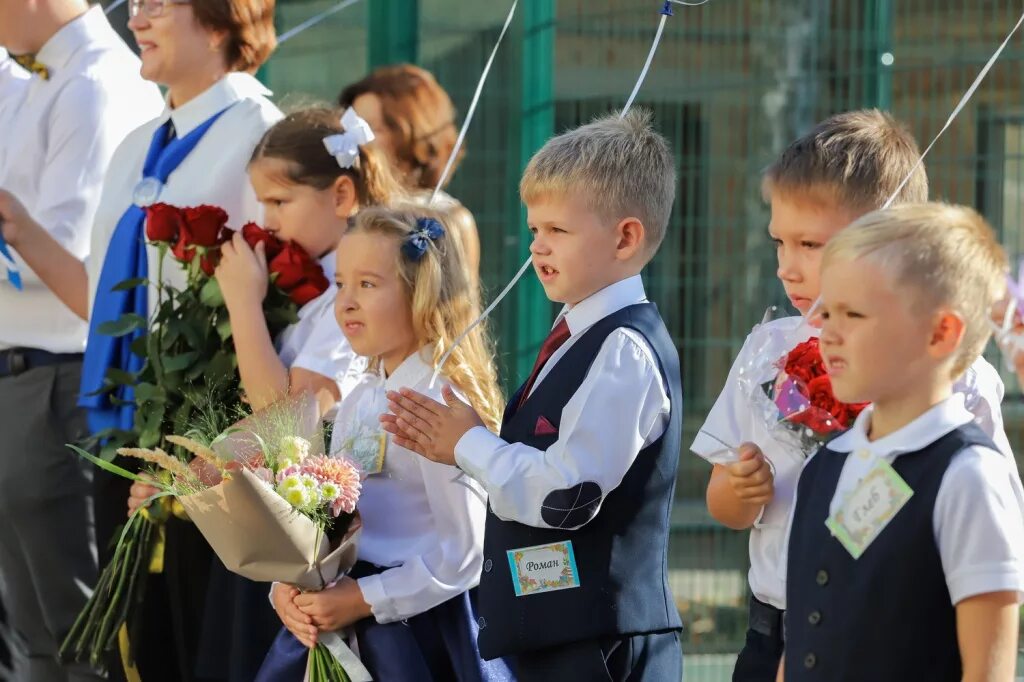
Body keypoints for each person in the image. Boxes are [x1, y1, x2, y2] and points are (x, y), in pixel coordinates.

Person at [0, 0, 279, 678]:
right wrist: (19, 227)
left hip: (208, 444)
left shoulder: (258, 132)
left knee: (180, 641)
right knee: (112, 641)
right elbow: (99, 301)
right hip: (127, 435)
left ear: (219, 20)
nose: (136, 17)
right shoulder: (142, 140)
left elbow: (282, 300)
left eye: (159, 3)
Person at [689, 109, 1013, 682]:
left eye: (812, 244)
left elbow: (986, 598)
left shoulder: (964, 437)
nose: (789, 269)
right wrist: (741, 489)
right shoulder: (777, 366)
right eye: (778, 244)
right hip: (781, 630)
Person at [382, 110, 684, 681]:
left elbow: (568, 494)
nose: (537, 249)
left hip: (601, 649)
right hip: (553, 639)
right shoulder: (577, 335)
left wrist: (469, 443)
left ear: (626, 236)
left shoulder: (623, 348)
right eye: (534, 230)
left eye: (558, 232)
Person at [130, 105, 404, 681]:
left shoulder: (348, 301)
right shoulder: (309, 288)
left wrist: (241, 301)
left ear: (342, 194)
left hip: (320, 542)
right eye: (261, 203)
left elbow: (287, 417)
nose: (267, 220)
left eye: (280, 202)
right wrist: (182, 469)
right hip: (279, 538)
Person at [259, 206, 512, 681]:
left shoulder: (437, 406)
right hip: (344, 616)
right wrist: (287, 585)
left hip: (415, 634)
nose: (346, 303)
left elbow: (465, 552)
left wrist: (364, 598)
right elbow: (332, 518)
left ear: (422, 295)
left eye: (368, 285)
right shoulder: (361, 395)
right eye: (340, 285)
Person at [779, 203, 1024, 681]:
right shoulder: (825, 466)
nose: (828, 333)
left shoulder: (968, 477)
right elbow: (807, 636)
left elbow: (987, 670)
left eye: (853, 314)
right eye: (827, 312)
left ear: (940, 333)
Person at [0, 1, 161, 678]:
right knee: (35, 627)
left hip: (59, 377)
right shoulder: (42, 78)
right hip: (29, 377)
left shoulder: (97, 81)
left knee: (77, 631)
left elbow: (65, 257)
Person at [340, 64, 481, 278]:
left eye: (373, 128)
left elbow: (463, 305)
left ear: (412, 132)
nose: (356, 139)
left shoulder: (449, 218)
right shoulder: (342, 205)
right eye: (352, 127)